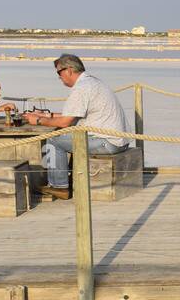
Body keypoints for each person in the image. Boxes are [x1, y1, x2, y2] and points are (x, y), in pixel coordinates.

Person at [22, 54, 130, 200]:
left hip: (108, 142)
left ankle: (59, 186)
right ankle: (65, 179)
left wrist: (38, 121)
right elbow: (76, 115)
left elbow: (65, 122)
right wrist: (48, 115)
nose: (59, 77)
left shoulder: (81, 88)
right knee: (64, 136)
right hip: (119, 140)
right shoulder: (92, 82)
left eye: (59, 73)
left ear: (69, 70)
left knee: (53, 139)